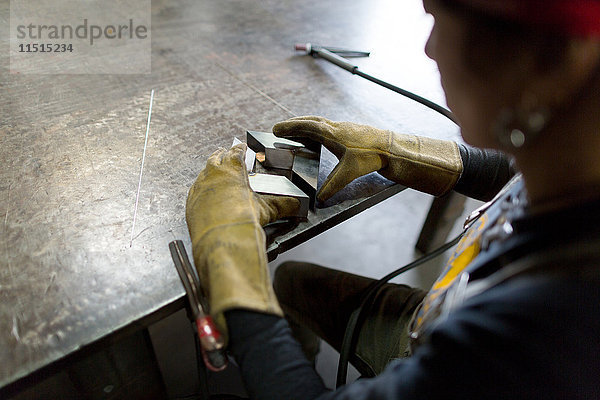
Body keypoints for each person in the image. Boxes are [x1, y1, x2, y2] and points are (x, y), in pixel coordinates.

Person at [185, 0, 600, 398]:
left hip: (444, 349)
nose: (429, 48)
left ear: (552, 62)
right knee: (292, 282)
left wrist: (228, 240)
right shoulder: (580, 161)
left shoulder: (539, 337)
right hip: (445, 309)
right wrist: (396, 149)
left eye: (437, 19)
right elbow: (524, 177)